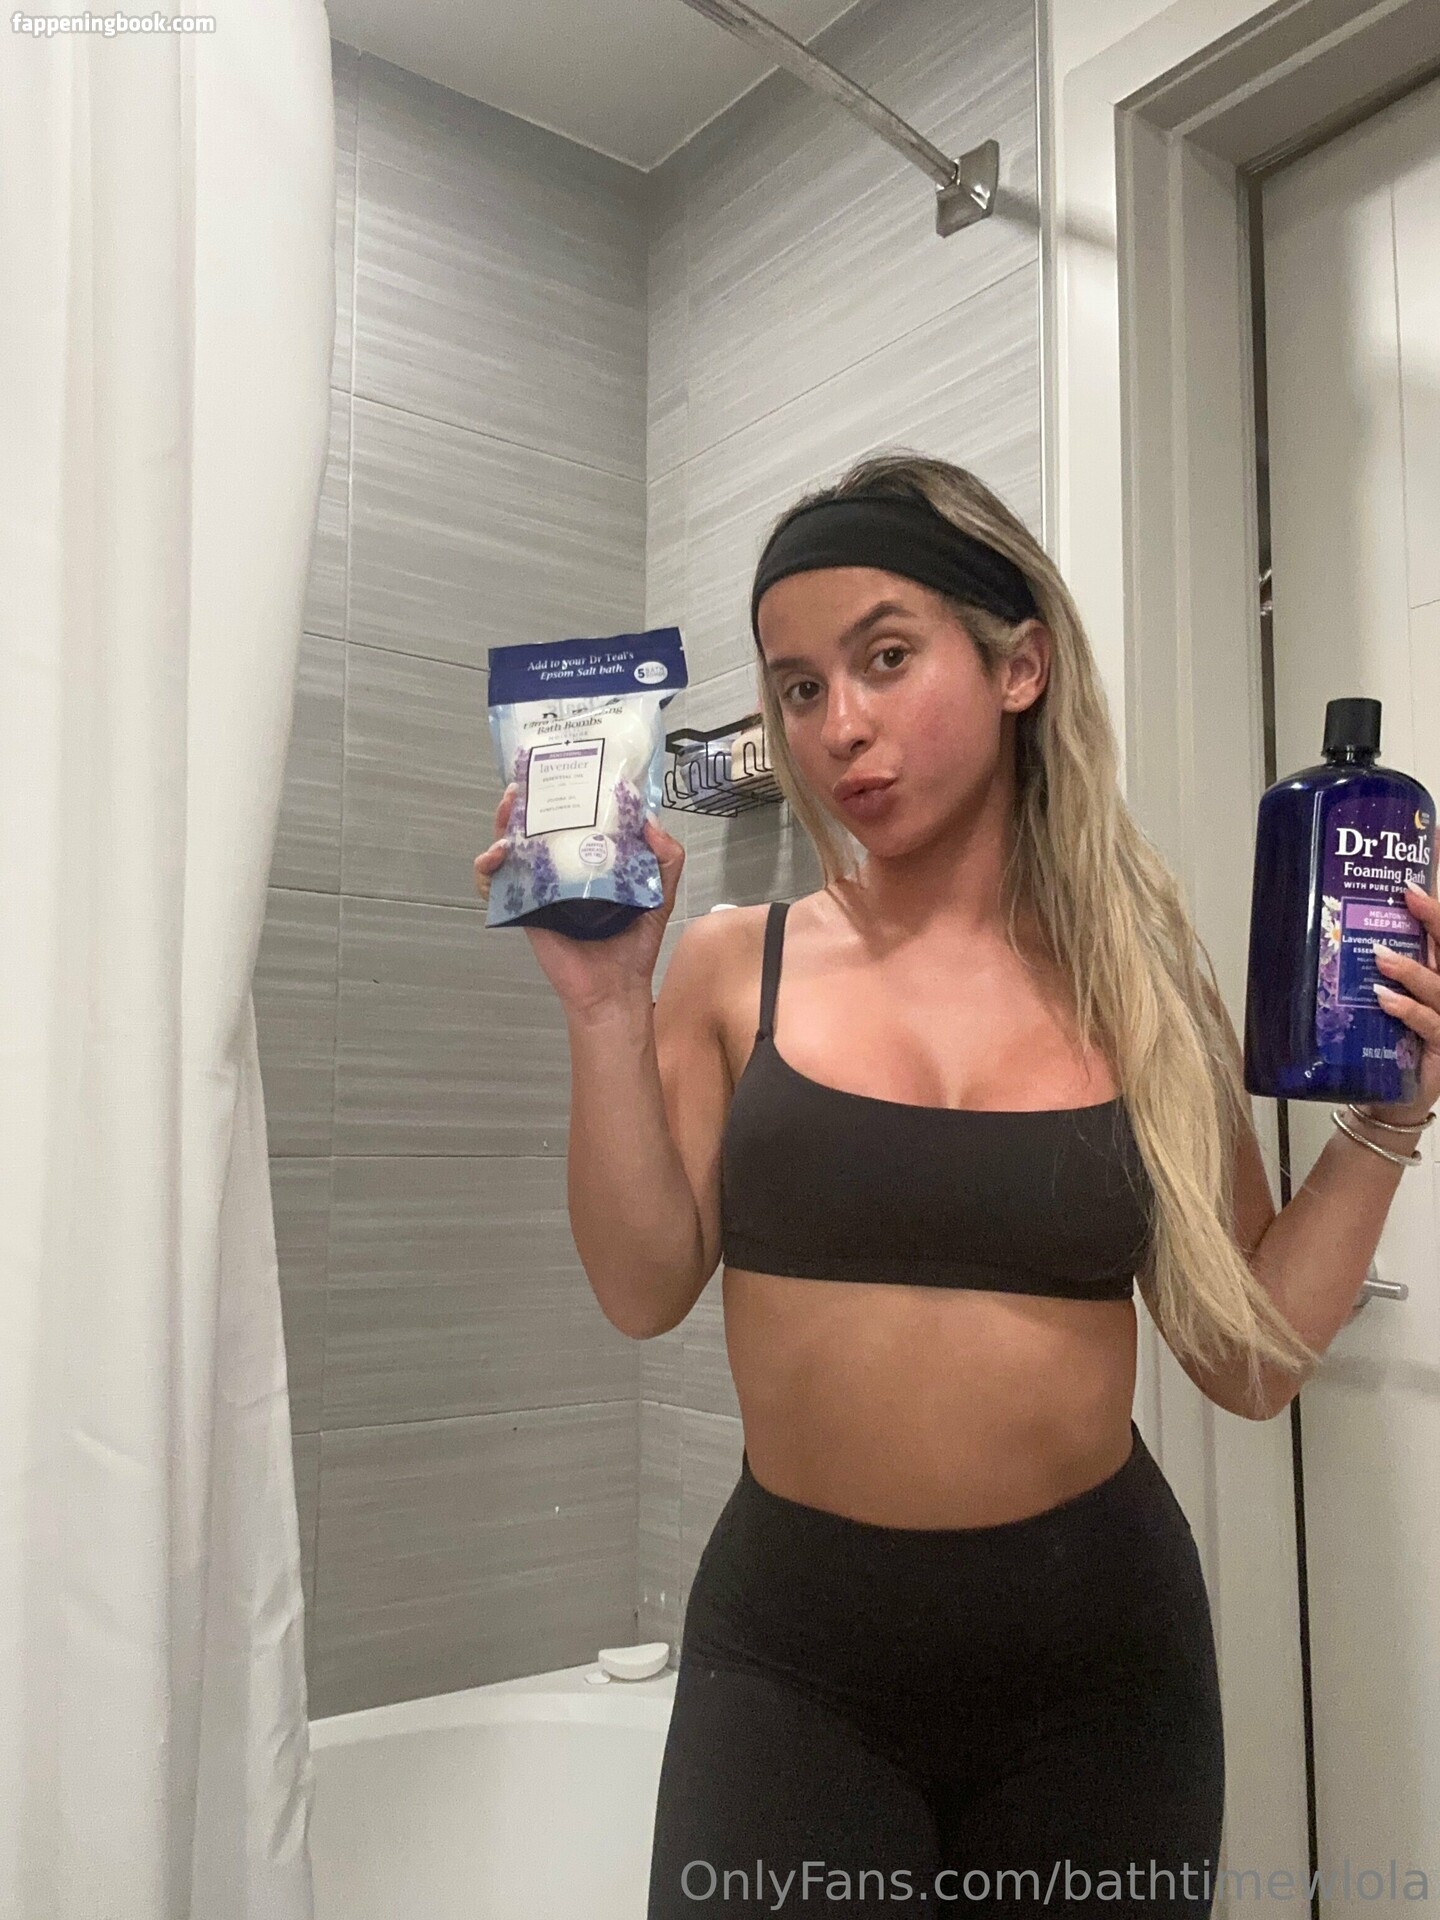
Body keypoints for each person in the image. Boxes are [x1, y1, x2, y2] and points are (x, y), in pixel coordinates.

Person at [474, 451, 1439, 1918]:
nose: (839, 727)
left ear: (1019, 666)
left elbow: (1244, 1361)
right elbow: (640, 1286)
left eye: (885, 658)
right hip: (795, 1668)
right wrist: (606, 1007)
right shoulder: (737, 964)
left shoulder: (1141, 988)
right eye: (800, 687)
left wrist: (1389, 1123)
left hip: (1101, 1676)